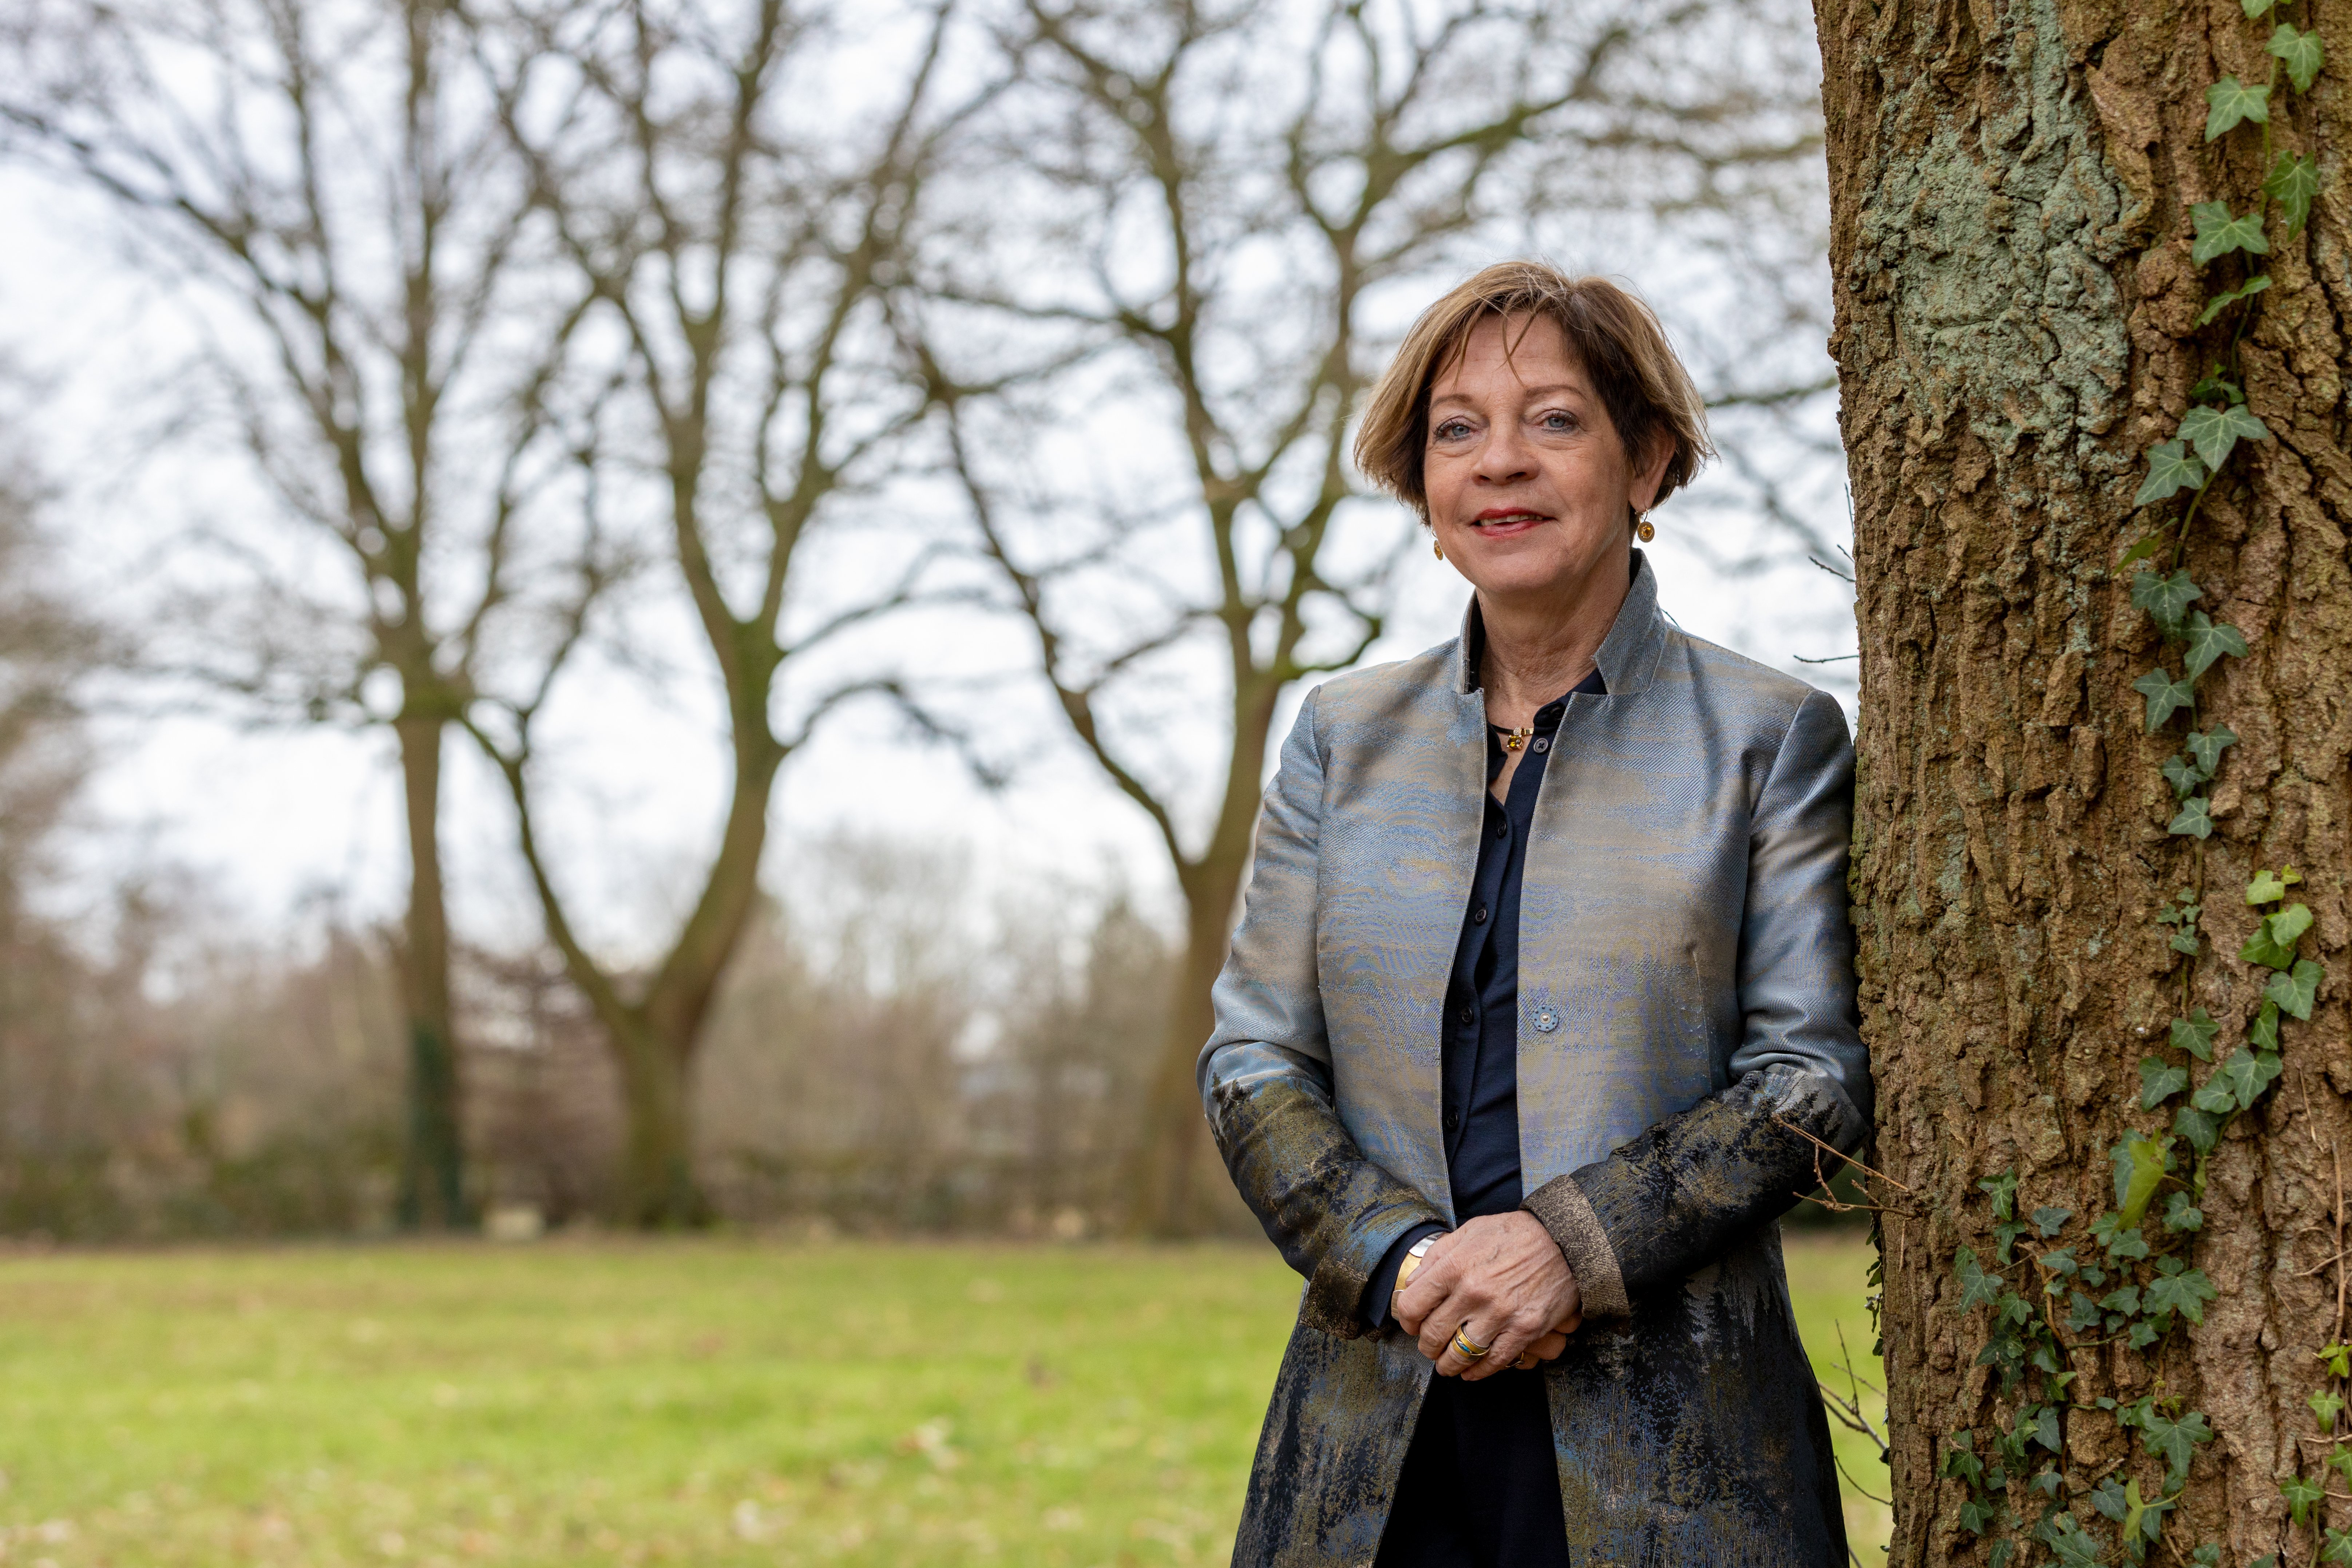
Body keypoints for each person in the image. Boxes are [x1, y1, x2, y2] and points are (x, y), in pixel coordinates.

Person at [1197, 260, 1869, 1568]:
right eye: (1458, 430)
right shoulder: (1341, 736)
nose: (1500, 462)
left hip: (1680, 1451)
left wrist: (1570, 1246)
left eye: (1554, 420)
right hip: (1371, 1428)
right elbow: (1252, 1058)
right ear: (1424, 491)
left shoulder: (1770, 736)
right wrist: (1397, 1259)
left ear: (1649, 461)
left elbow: (1810, 1079)